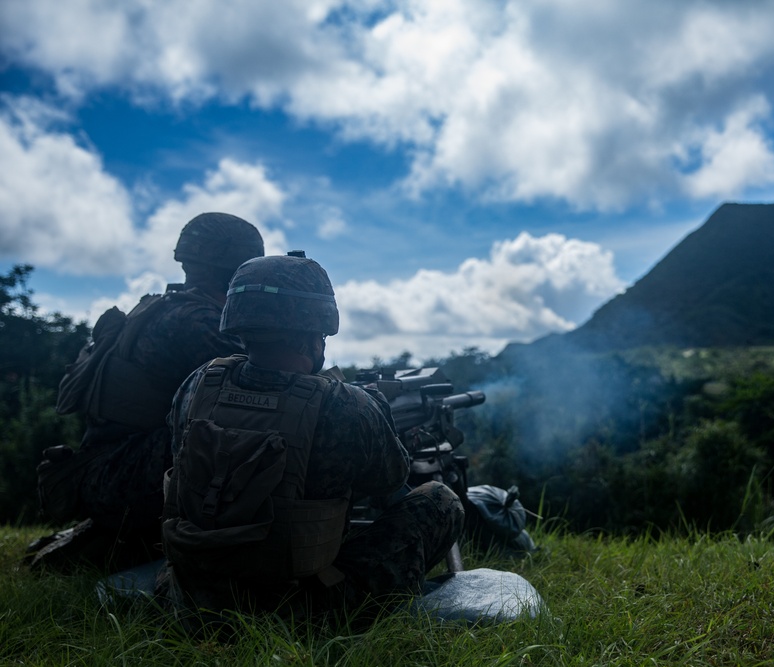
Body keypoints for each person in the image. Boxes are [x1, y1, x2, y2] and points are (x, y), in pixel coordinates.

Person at [159, 252, 464, 631]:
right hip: (298, 611)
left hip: (195, 594)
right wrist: (374, 411)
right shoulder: (345, 406)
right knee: (439, 501)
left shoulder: (199, 383)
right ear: (314, 333)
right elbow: (390, 484)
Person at [27, 213, 265, 572]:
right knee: (244, 442)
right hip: (123, 477)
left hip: (110, 471)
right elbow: (265, 390)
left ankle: (108, 542)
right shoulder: (196, 321)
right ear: (239, 267)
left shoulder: (169, 308)